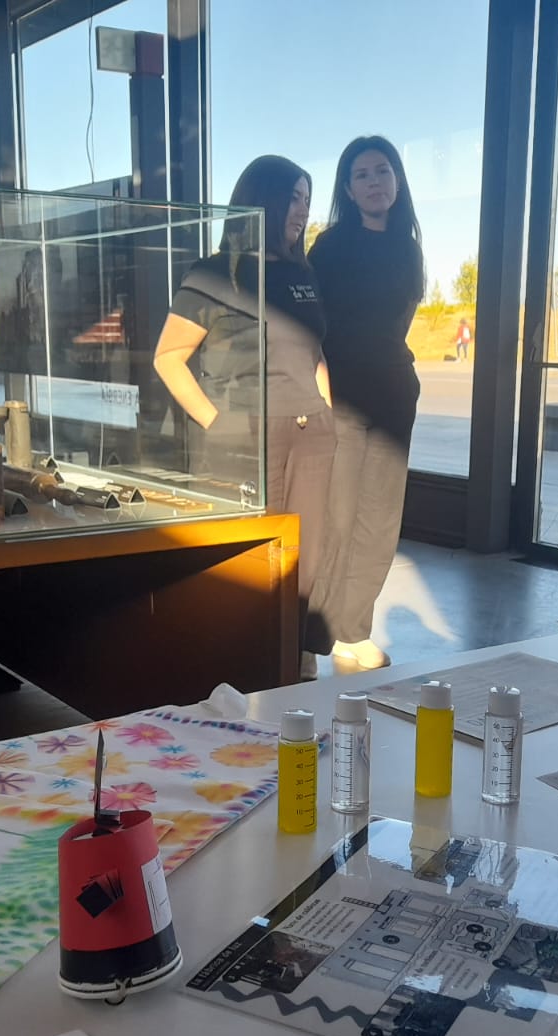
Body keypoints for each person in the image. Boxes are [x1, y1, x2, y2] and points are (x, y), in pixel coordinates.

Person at [153, 155, 336, 674]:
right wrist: (218, 423)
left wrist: (328, 411)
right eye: (293, 198)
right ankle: (252, 667)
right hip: (251, 434)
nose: (302, 210)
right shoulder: (214, 273)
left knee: (309, 558)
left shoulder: (303, 273)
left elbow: (316, 352)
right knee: (257, 562)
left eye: (307, 198)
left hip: (312, 432)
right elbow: (168, 358)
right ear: (263, 200)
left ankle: (296, 663)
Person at [307, 135, 425, 672]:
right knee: (335, 520)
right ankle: (312, 636)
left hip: (394, 399)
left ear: (397, 180)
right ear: (348, 190)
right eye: (363, 175)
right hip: (343, 402)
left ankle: (352, 633)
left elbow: (397, 324)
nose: (375, 182)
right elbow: (312, 329)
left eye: (383, 171)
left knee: (379, 522)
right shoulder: (330, 248)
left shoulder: (408, 245)